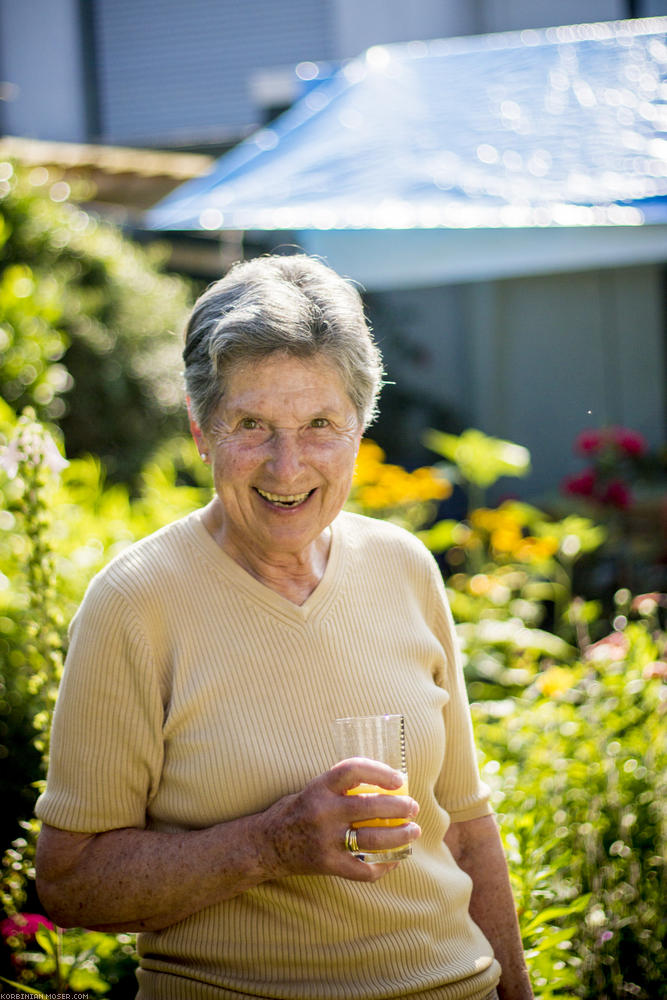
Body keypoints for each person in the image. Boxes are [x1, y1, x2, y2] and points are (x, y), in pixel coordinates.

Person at [34, 254, 533, 1000]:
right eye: (252, 425)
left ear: (360, 429)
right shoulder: (136, 604)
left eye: (320, 425)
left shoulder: (403, 566)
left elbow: (461, 825)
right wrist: (269, 846)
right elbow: (72, 883)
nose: (287, 464)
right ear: (202, 431)